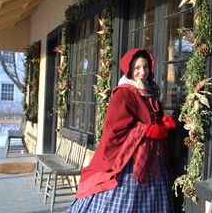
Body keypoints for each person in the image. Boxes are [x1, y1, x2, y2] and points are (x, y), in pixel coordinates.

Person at [67, 48, 176, 212]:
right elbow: (114, 127)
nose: (142, 72)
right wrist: (146, 130)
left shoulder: (151, 91)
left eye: (145, 67)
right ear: (130, 69)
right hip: (130, 159)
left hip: (153, 156)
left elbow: (151, 118)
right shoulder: (124, 93)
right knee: (125, 196)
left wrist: (164, 123)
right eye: (137, 68)